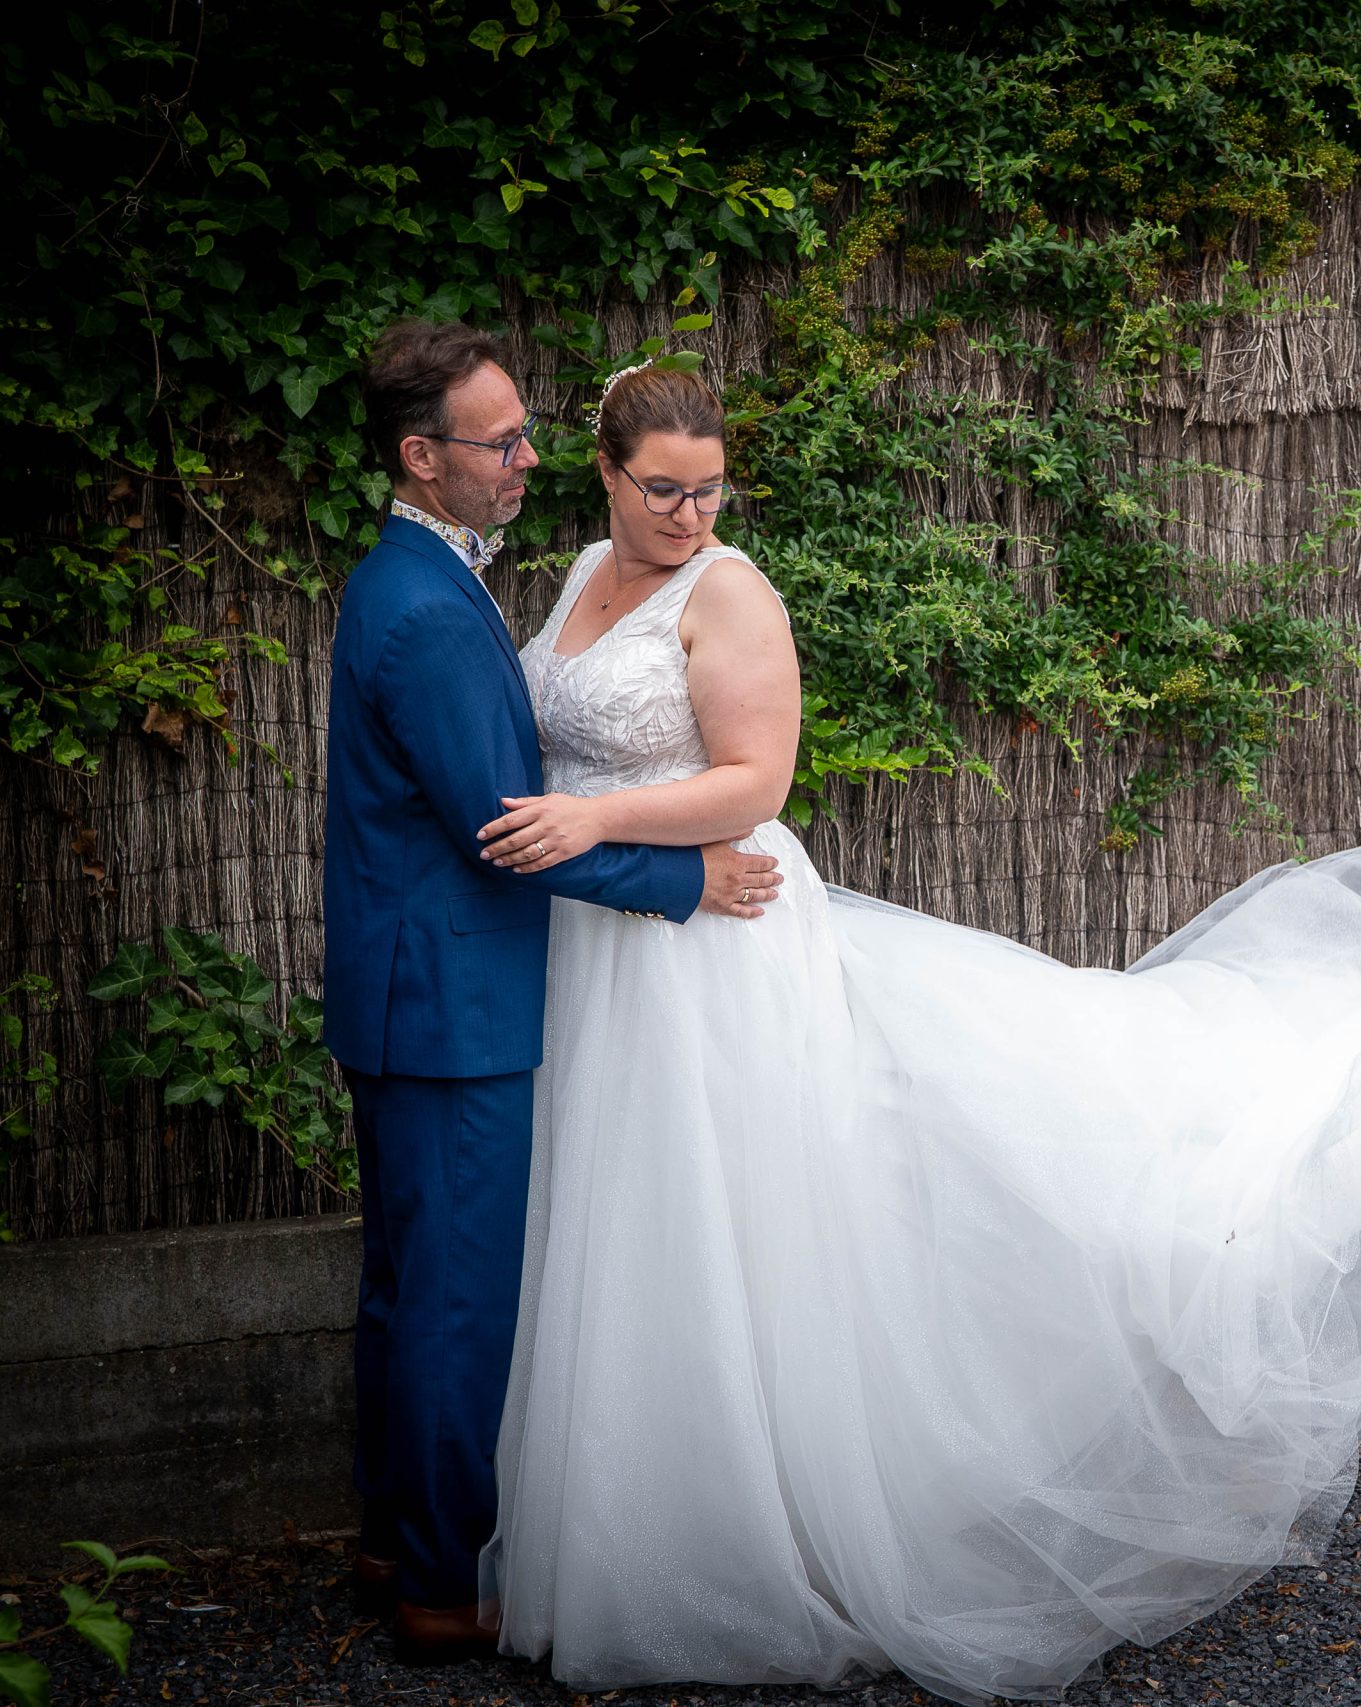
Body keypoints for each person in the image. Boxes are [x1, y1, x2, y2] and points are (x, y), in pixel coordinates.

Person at [465, 361, 1361, 1701]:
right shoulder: (587, 566)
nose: (692, 514)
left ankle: (769, 1535)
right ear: (605, 469)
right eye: (664, 490)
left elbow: (754, 780)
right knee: (638, 1226)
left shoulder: (732, 588)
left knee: (762, 1218)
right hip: (606, 945)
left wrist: (593, 820)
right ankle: (652, 1521)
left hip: (714, 937)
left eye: (710, 488)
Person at [321, 322, 784, 1663]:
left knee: (410, 1279)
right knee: (453, 1292)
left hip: (418, 985)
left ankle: (390, 1527)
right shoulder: (425, 609)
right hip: (452, 996)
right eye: (499, 437)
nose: (524, 453)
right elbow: (504, 823)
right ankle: (438, 1579)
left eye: (528, 430)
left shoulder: (413, 579)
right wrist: (682, 884)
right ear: (424, 457)